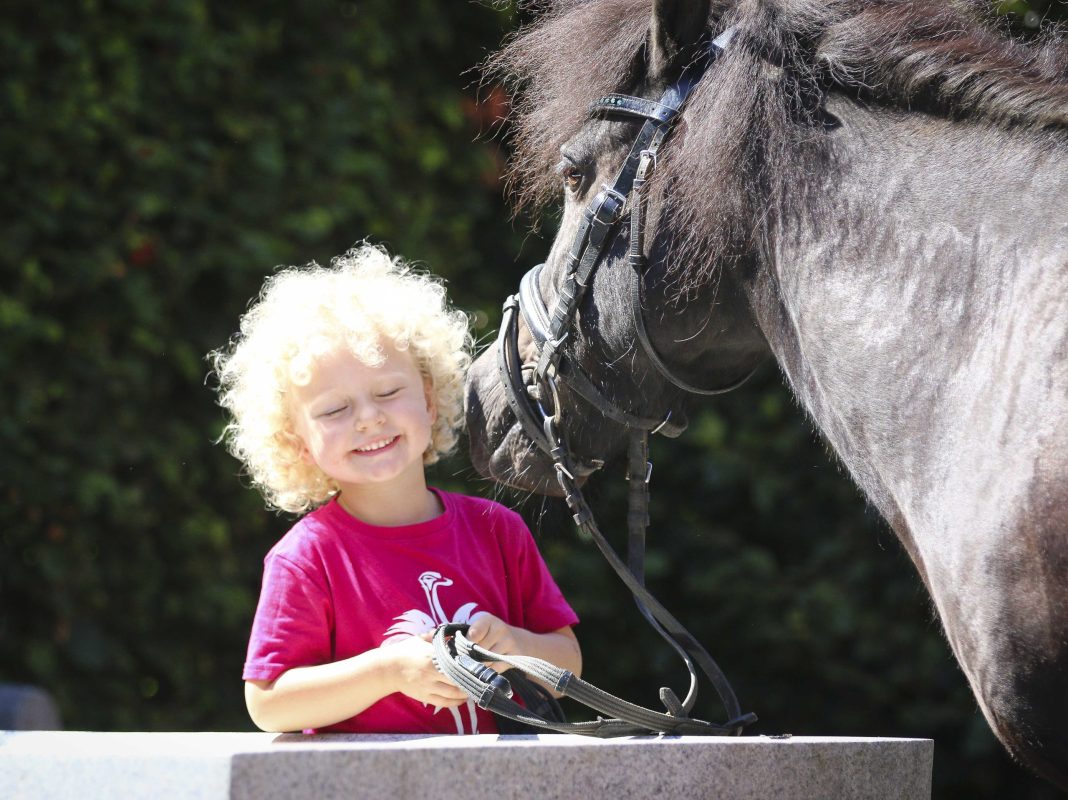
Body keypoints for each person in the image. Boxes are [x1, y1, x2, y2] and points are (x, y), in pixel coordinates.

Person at [210, 244, 581, 734]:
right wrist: (388, 672)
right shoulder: (306, 557)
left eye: (388, 392)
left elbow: (568, 665)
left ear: (429, 401)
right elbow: (269, 702)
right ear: (295, 442)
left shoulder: (498, 531)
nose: (369, 418)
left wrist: (514, 645)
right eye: (333, 410)